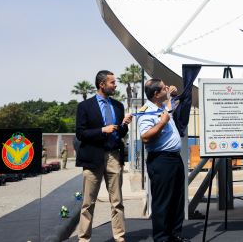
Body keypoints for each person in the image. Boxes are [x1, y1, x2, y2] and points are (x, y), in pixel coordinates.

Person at [75, 70, 133, 242]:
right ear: (102, 84)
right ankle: (84, 239)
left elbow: (121, 132)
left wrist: (124, 125)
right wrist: (102, 130)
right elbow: (80, 133)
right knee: (88, 203)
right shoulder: (84, 106)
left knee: (117, 202)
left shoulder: (118, 106)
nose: (115, 85)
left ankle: (120, 237)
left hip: (114, 157)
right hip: (93, 159)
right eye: (112, 82)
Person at [137, 78, 189, 242]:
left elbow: (172, 107)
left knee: (177, 199)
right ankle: (161, 238)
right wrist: (162, 123)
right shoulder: (147, 111)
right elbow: (145, 137)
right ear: (156, 93)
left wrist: (171, 96)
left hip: (174, 159)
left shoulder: (161, 107)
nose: (168, 87)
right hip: (161, 160)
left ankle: (175, 235)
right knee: (163, 201)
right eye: (164, 87)